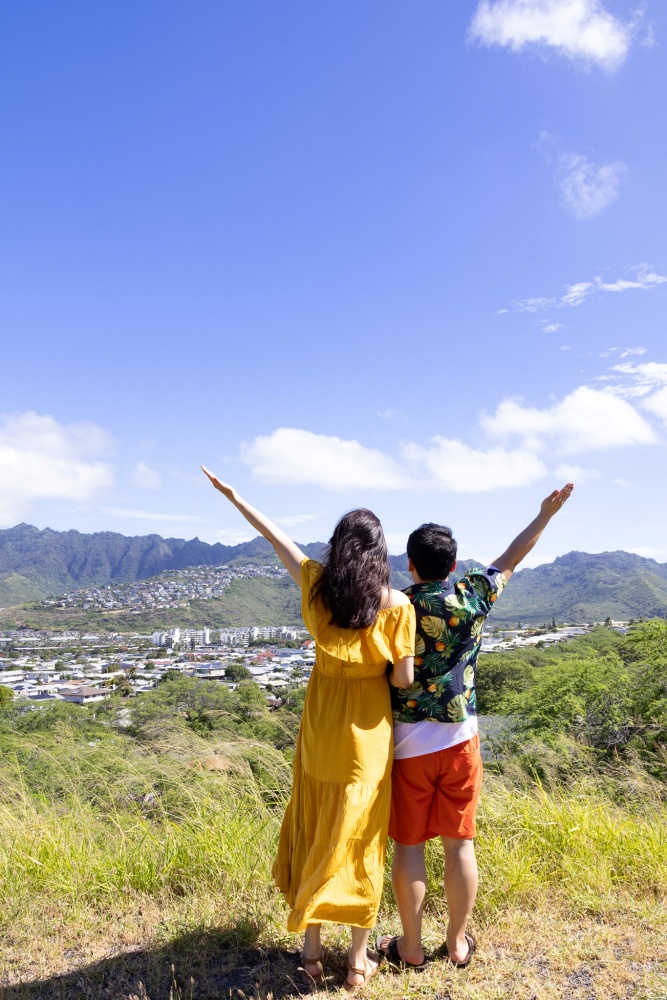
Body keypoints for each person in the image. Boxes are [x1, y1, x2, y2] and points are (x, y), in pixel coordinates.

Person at [201, 466, 416, 992]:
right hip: (367, 738)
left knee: (317, 827)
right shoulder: (397, 607)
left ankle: (313, 950)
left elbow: (275, 537)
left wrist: (234, 496)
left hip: (320, 730)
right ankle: (357, 961)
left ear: (340, 548)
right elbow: (405, 679)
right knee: (361, 838)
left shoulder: (319, 590)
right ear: (379, 552)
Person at [379, 484, 574, 971]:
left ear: (410, 564)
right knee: (460, 843)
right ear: (453, 565)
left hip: (407, 746)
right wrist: (544, 514)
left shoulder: (395, 607)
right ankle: (459, 942)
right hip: (462, 740)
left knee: (409, 845)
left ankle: (412, 947)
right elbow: (514, 554)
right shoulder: (473, 596)